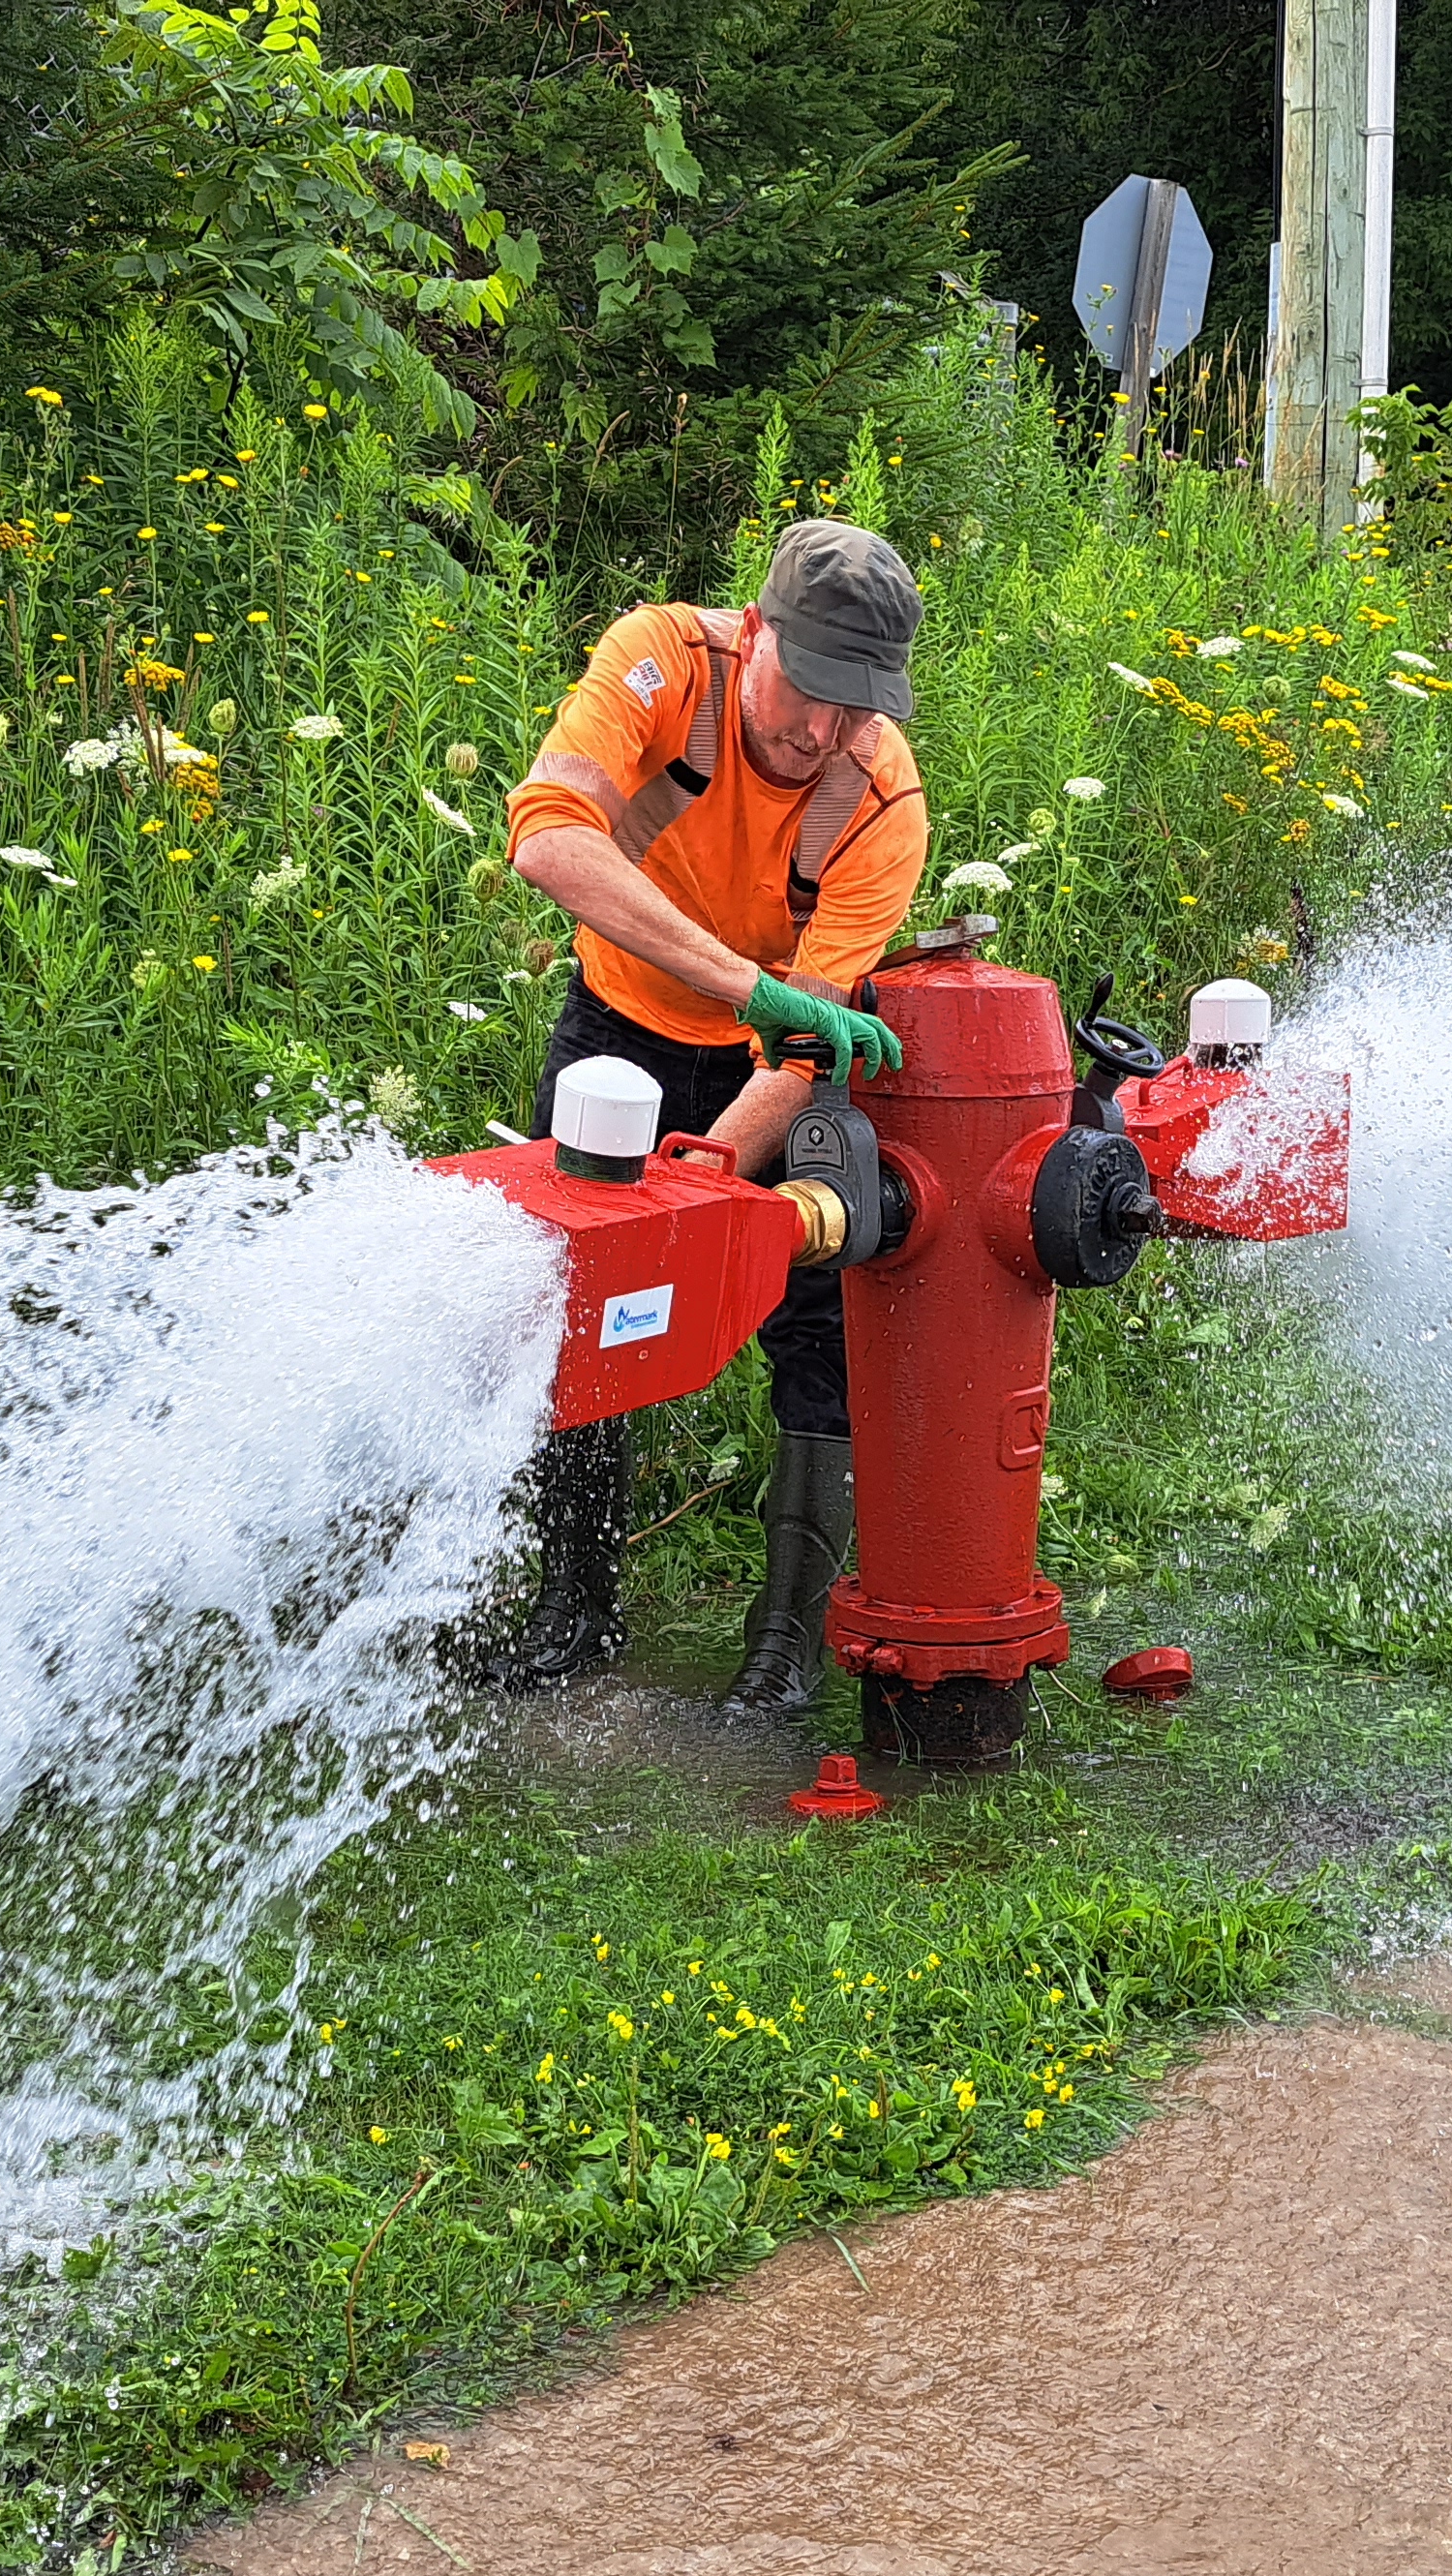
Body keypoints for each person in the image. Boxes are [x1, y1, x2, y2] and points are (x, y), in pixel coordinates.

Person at [492, 517, 930, 1713]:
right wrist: (748, 983)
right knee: (575, 1315)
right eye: (810, 690)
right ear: (756, 633)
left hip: (769, 1079)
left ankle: (784, 1646)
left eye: (858, 705)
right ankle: (572, 1612)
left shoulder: (884, 798)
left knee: (816, 1331)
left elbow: (808, 1038)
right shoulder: (663, 662)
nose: (823, 730)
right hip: (615, 1043)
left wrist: (699, 1188)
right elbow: (545, 839)